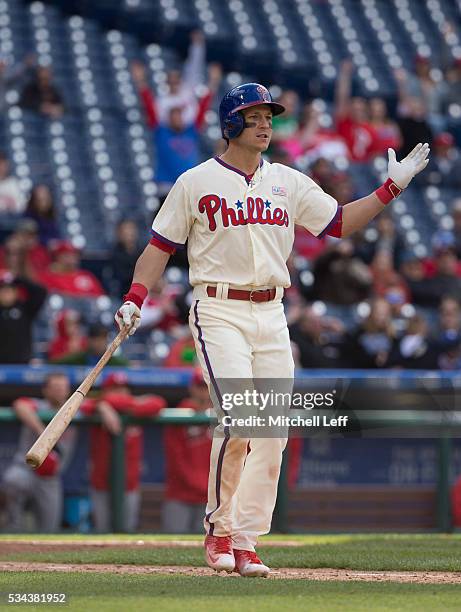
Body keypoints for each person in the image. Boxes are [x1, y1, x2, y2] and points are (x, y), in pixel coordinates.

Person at [114, 82, 429, 577]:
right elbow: (158, 248)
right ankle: (218, 530)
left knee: (272, 430)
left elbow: (340, 224)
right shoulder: (196, 182)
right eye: (254, 116)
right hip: (218, 308)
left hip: (271, 311)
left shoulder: (287, 180)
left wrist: (391, 189)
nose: (265, 124)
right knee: (240, 419)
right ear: (230, 124)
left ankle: (246, 539)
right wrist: (135, 298)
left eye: (269, 117)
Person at [80, 372, 165, 532]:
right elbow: (82, 405)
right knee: (102, 531)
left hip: (129, 484)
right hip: (101, 483)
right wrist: (101, 407)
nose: (121, 393)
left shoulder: (133, 409)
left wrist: (108, 405)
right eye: (115, 389)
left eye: (124, 389)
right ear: (105, 391)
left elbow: (158, 403)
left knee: (126, 531)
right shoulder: (96, 407)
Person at [132, 59, 222, 199]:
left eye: (179, 114)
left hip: (188, 186)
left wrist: (213, 81)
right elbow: (149, 105)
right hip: (166, 187)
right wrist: (140, 80)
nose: (177, 118)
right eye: (173, 115)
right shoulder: (161, 132)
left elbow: (204, 106)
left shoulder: (191, 130)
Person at [2, 373, 76, 532]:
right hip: (26, 470)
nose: (59, 391)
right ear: (46, 390)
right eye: (54, 387)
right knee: (13, 479)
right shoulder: (39, 406)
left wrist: (104, 409)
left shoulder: (76, 408)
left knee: (50, 528)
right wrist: (44, 433)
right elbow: (20, 404)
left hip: (50, 478)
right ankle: (13, 528)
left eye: (62, 388)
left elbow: (100, 404)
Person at [162, 368, 213, 533]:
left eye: (206, 387)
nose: (203, 392)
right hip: (180, 495)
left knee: (209, 547)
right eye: (200, 386)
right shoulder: (180, 414)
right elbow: (176, 459)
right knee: (174, 546)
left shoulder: (226, 415)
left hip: (211, 499)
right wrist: (201, 485)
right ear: (192, 388)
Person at [0, 271, 47, 363]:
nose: (6, 293)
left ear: (16, 292)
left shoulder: (25, 309)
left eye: (10, 289)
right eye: (3, 290)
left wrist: (19, 279)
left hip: (22, 363)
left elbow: (41, 292)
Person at [37, 240, 105, 298]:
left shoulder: (86, 276)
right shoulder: (47, 276)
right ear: (57, 256)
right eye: (67, 255)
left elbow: (100, 298)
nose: (72, 259)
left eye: (75, 255)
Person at [53, 323, 129, 366]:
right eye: (96, 338)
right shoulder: (77, 358)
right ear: (89, 340)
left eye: (103, 338)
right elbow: (53, 364)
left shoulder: (116, 362)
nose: (100, 343)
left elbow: (127, 367)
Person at [109, 219, 143, 298]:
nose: (130, 232)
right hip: (125, 292)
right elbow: (121, 276)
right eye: (126, 229)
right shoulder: (115, 253)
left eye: (132, 229)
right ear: (119, 233)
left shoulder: (142, 251)